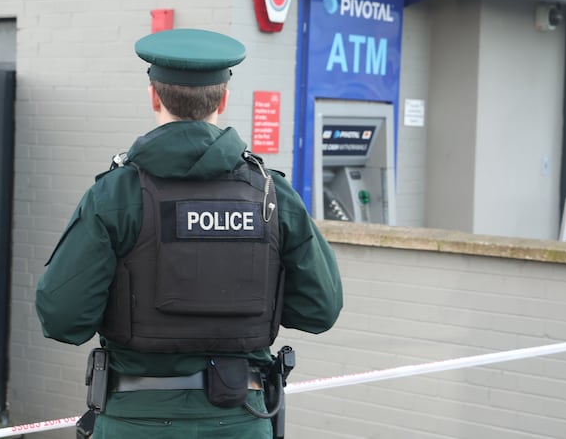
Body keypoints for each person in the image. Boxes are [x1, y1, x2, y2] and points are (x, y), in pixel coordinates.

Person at [35, 28, 343, 439]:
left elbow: (62, 318)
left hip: (135, 421)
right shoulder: (272, 194)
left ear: (154, 96)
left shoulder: (115, 195)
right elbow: (319, 310)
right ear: (224, 99)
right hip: (241, 420)